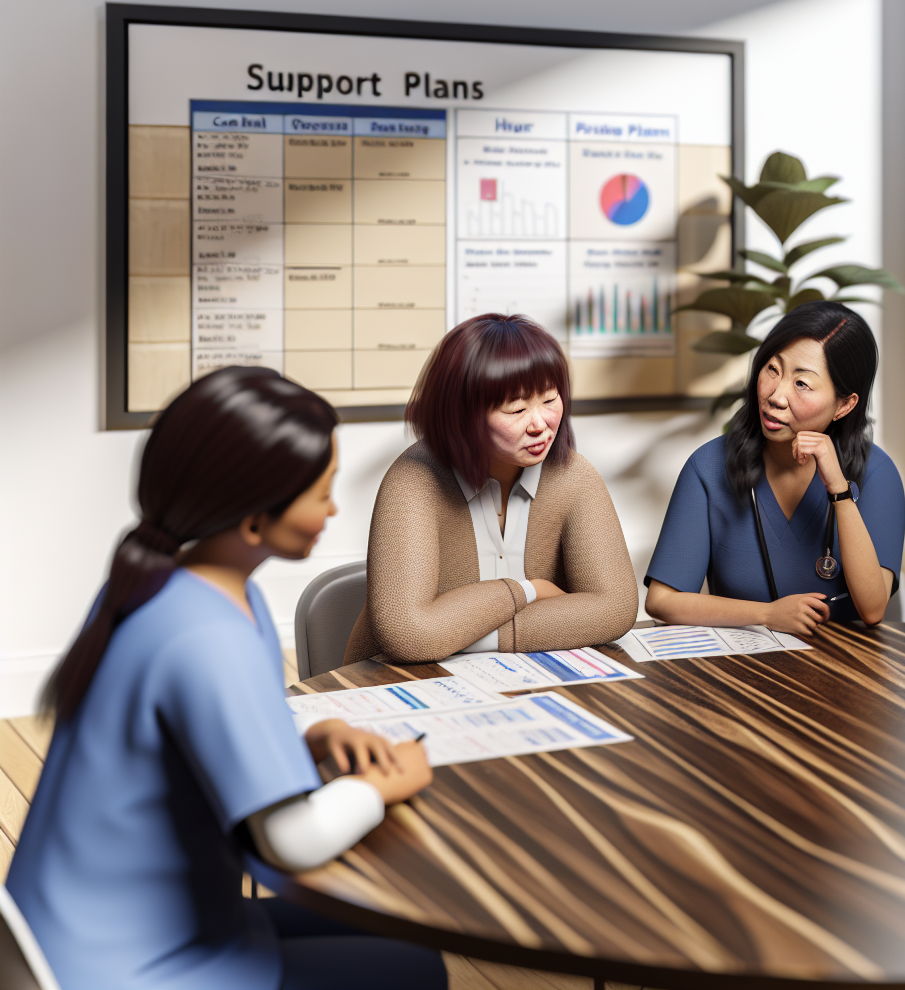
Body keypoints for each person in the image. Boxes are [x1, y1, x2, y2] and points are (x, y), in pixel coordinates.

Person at [7, 367, 443, 990]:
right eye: (321, 492)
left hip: (78, 932)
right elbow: (289, 842)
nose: (333, 508)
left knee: (393, 930)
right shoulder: (209, 635)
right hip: (130, 965)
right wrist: (385, 786)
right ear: (253, 521)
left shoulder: (163, 589)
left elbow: (185, 752)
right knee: (414, 968)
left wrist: (305, 747)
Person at [347, 314, 638, 664]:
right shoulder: (414, 481)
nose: (540, 424)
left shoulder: (574, 476)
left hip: (526, 684)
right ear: (461, 415)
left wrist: (453, 631)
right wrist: (529, 590)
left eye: (549, 400)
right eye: (515, 408)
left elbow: (615, 609)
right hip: (392, 687)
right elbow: (409, 634)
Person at [645, 302, 904, 632]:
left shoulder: (878, 473)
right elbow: (662, 601)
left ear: (844, 405)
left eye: (801, 384)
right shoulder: (708, 468)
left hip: (846, 670)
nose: (776, 395)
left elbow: (872, 609)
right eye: (772, 369)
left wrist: (839, 489)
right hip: (744, 666)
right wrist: (766, 615)